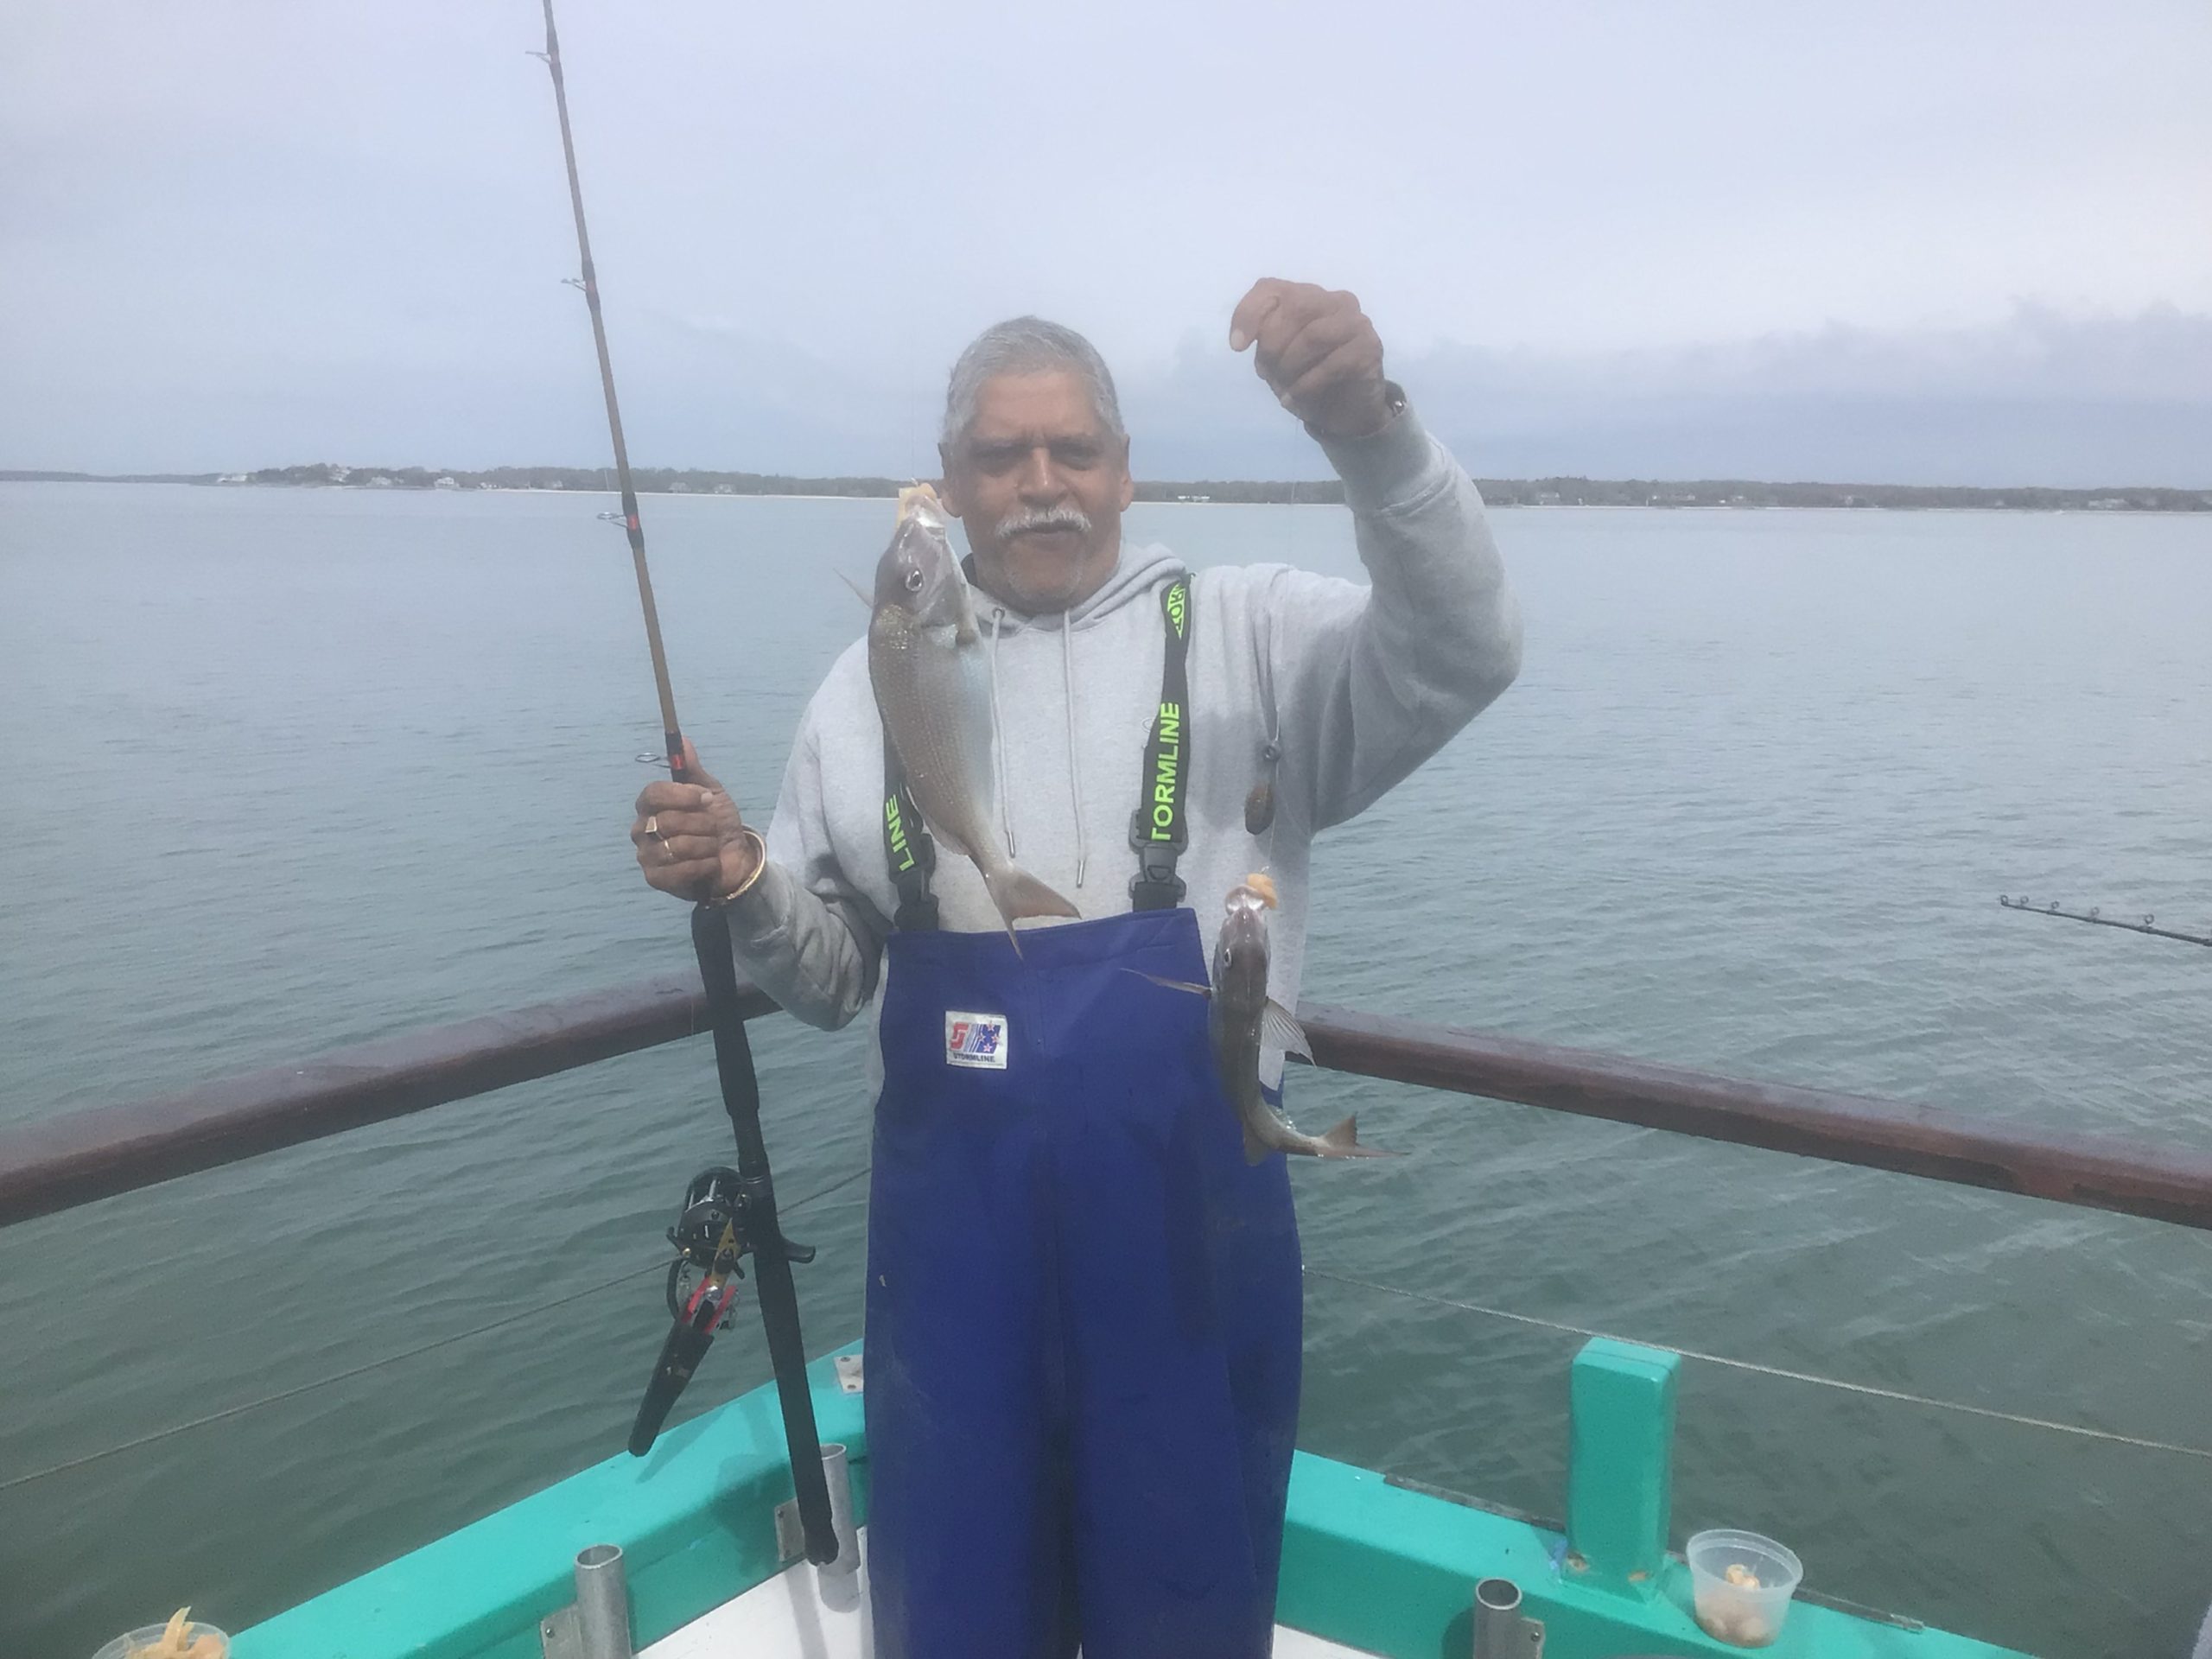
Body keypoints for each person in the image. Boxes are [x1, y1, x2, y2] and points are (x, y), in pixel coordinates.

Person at [629, 281, 1522, 1659]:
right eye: (1001, 457)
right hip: (951, 1258)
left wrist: (1373, 433)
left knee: (1186, 1583)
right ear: (951, 490)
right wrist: (745, 880)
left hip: (1187, 1229)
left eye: (1074, 453)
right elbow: (828, 981)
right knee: (960, 1597)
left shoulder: (1252, 639)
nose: (1041, 486)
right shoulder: (865, 688)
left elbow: (1466, 649)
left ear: (1124, 472)